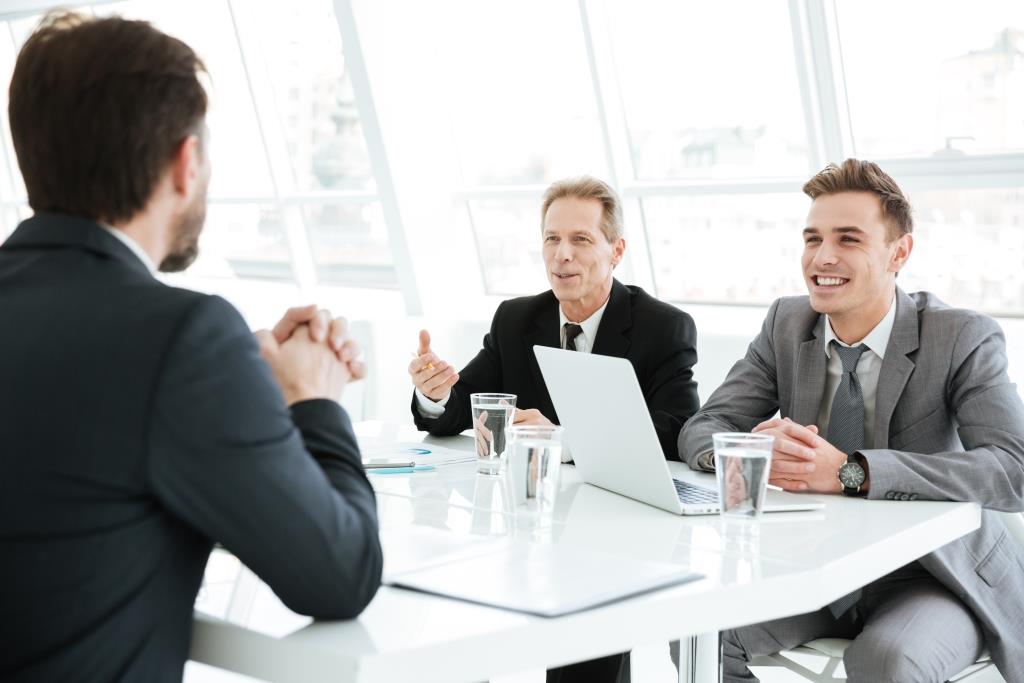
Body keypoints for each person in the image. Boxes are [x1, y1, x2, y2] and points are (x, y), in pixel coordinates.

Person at [0, 13, 382, 682]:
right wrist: (313, 400)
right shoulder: (182, 339)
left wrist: (245, 384)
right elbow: (341, 573)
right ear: (187, 162)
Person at [679, 159, 1024, 682]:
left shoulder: (960, 337)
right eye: (812, 238)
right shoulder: (787, 323)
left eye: (848, 239)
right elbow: (703, 427)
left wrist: (852, 472)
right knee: (704, 630)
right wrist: (749, 453)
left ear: (899, 253)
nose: (823, 257)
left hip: (930, 576)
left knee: (884, 662)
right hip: (818, 566)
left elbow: (1010, 468)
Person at [409, 175, 700, 462]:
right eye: (552, 239)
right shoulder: (515, 320)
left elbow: (676, 431)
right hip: (531, 499)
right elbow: (466, 405)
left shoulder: (664, 328)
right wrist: (435, 394)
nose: (562, 254)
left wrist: (564, 440)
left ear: (617, 251)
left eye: (580, 239)